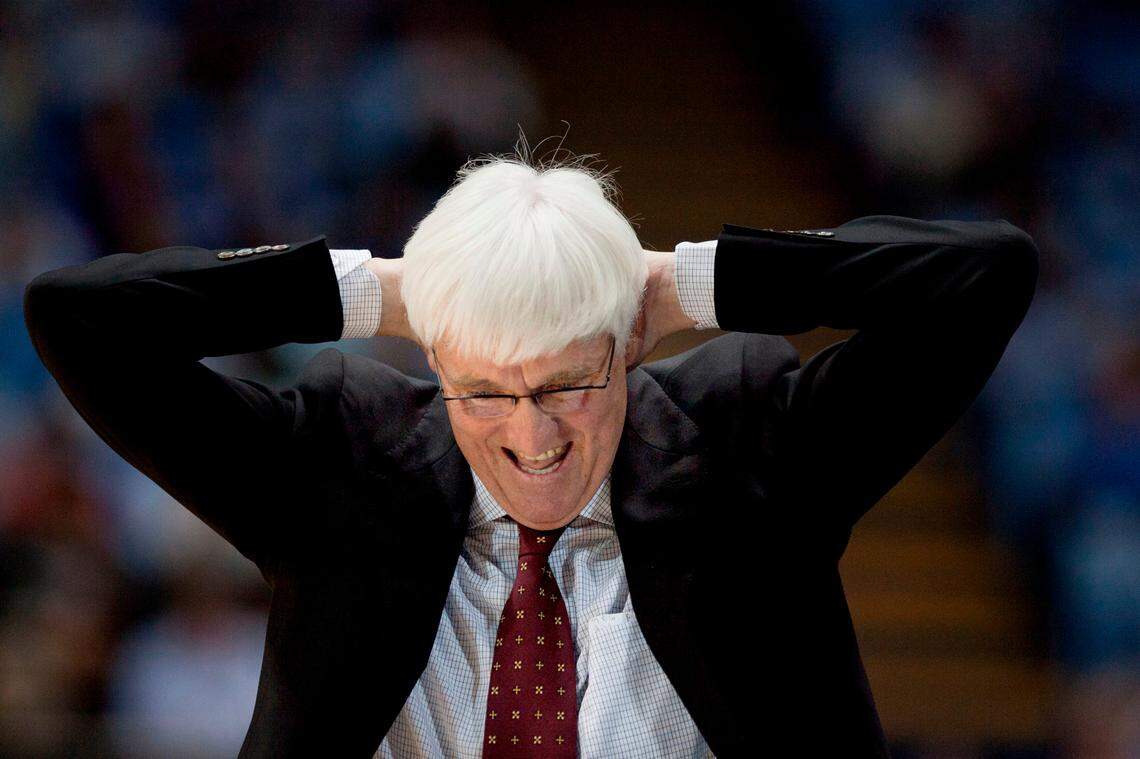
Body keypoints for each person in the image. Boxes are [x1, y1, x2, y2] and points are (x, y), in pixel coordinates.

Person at [23, 150, 1038, 758]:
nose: (534, 437)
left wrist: (690, 283)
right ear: (435, 358)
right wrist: (376, 292)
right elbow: (80, 318)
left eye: (567, 383)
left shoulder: (746, 442)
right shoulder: (341, 462)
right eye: (485, 391)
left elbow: (981, 276)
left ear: (627, 348)